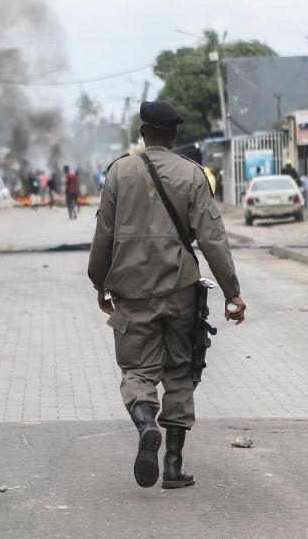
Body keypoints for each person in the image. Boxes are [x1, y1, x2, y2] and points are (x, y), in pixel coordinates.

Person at [87, 100, 246, 490]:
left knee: (138, 370)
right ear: (173, 136)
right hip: (180, 290)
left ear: (143, 133)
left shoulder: (119, 172)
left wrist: (98, 283)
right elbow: (212, 239)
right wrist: (232, 292)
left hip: (131, 290)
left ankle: (145, 423)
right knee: (180, 371)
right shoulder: (192, 175)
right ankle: (173, 467)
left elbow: (102, 236)